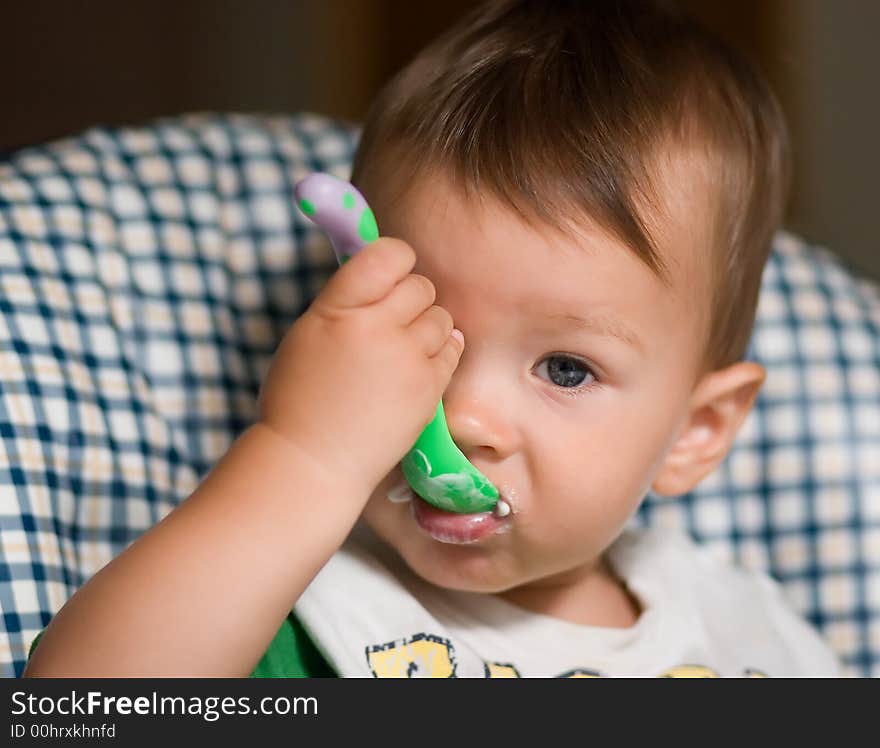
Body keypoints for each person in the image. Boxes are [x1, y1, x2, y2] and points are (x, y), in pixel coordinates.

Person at [23, 0, 839, 678]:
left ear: (698, 431)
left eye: (565, 368)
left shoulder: (755, 637)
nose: (466, 415)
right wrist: (304, 455)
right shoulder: (299, 601)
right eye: (418, 331)